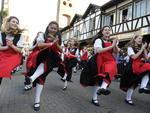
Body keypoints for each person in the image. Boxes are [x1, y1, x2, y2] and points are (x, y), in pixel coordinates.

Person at [24, 21, 63, 111]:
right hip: (38, 57)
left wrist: (56, 43)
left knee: (42, 79)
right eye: (51, 27)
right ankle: (32, 79)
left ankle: (36, 100)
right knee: (48, 56)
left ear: (57, 30)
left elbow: (61, 50)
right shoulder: (42, 35)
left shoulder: (58, 38)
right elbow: (40, 45)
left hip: (50, 60)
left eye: (55, 28)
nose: (53, 29)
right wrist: (51, 44)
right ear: (48, 27)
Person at [80, 25, 119, 106]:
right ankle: (95, 99)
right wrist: (112, 46)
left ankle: (103, 88)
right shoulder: (98, 40)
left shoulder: (111, 42)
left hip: (109, 60)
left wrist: (115, 45)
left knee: (111, 69)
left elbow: (116, 52)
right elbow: (99, 51)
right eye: (105, 29)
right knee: (97, 82)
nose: (107, 31)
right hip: (99, 61)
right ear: (102, 32)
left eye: (109, 29)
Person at [120, 35, 150, 105]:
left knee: (135, 83)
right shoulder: (130, 47)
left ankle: (142, 87)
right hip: (132, 66)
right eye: (139, 38)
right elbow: (134, 57)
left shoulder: (141, 48)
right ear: (135, 39)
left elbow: (146, 59)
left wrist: (144, 49)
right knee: (131, 83)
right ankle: (128, 98)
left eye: (141, 39)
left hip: (140, 66)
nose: (140, 40)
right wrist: (142, 49)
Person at [0, 16, 25, 85]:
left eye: (17, 23)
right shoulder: (1, 34)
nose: (15, 23)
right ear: (8, 23)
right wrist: (7, 47)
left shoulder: (20, 36)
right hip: (2, 55)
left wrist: (12, 45)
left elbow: (20, 50)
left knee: (2, 70)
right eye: (13, 21)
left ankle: (15, 67)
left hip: (13, 56)